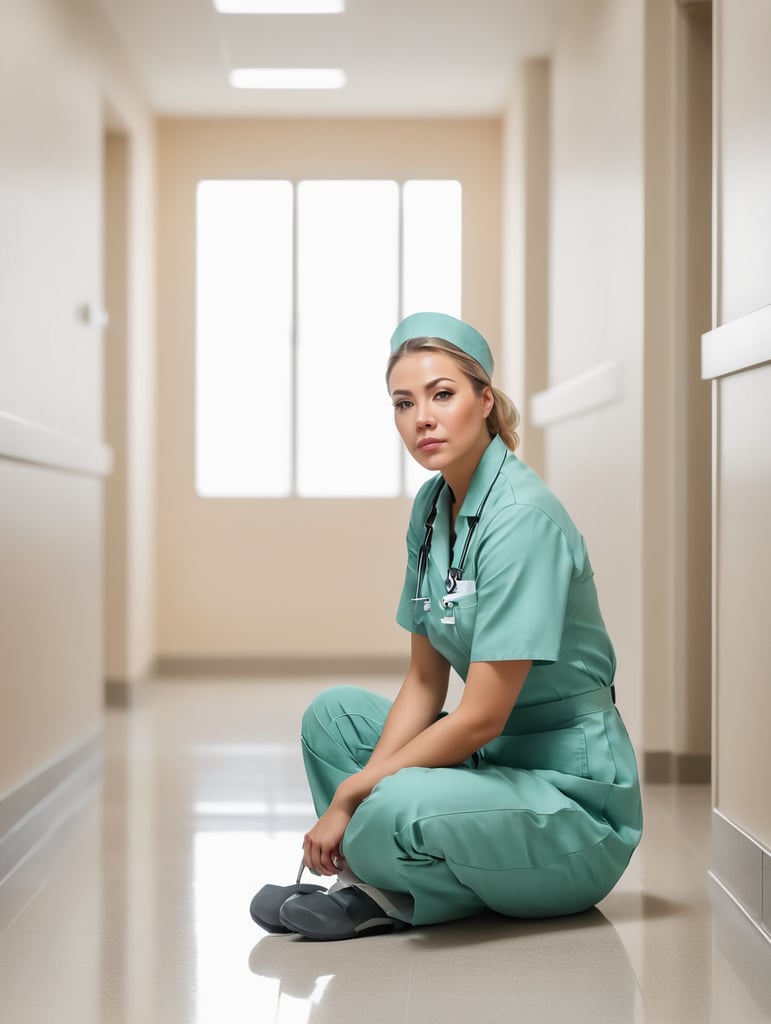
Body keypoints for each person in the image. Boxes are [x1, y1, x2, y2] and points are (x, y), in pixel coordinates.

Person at [250, 311, 642, 941]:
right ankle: (378, 876)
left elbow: (482, 715)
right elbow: (425, 683)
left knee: (396, 800)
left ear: (485, 400)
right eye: (403, 403)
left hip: (570, 802)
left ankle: (390, 890)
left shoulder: (522, 518)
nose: (422, 418)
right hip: (491, 765)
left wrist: (354, 794)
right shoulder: (433, 508)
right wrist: (362, 784)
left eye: (442, 395)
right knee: (334, 718)